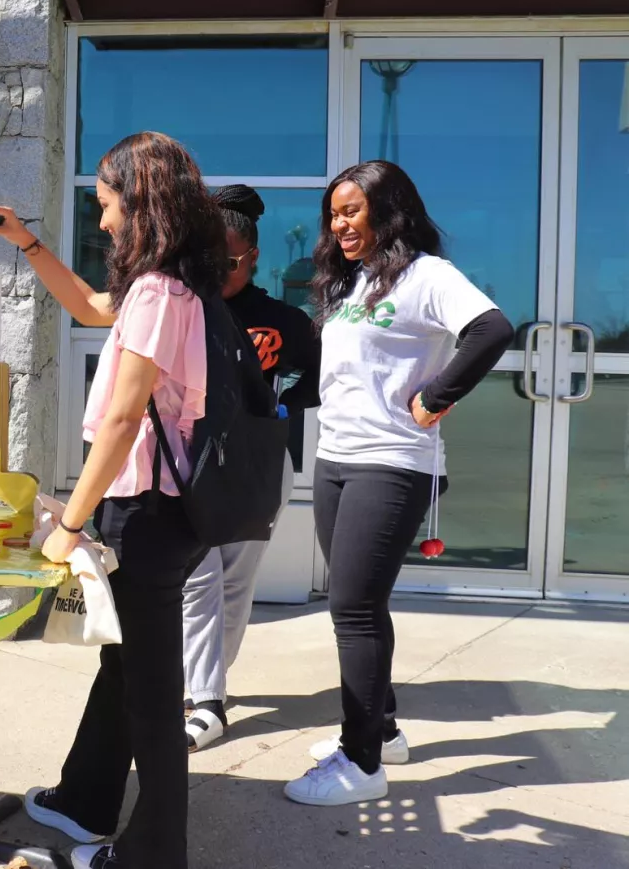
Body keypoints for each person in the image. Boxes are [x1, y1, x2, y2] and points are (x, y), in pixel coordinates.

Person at [0, 131, 225, 869]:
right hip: (166, 514)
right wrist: (27, 243)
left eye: (108, 204)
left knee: (152, 700)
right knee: (124, 668)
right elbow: (90, 306)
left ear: (141, 201)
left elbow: (123, 419)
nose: (104, 220)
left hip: (144, 516)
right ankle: (84, 800)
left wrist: (72, 523)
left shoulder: (157, 292)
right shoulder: (176, 285)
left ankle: (152, 857)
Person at [284, 160, 513, 806]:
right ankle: (381, 731)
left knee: (350, 608)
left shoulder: (426, 276)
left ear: (389, 211)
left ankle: (360, 764)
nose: (339, 223)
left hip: (394, 461)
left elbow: (492, 329)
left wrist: (438, 394)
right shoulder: (351, 284)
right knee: (364, 602)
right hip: (337, 458)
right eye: (335, 212)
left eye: (352, 210)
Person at [181, 184, 321, 752]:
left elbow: (313, 382)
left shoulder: (283, 319)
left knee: (237, 582)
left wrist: (279, 403)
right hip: (194, 461)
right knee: (198, 575)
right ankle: (205, 697)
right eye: (212, 259)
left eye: (232, 261)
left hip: (259, 464)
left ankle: (206, 683)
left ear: (255, 256)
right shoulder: (184, 305)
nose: (221, 271)